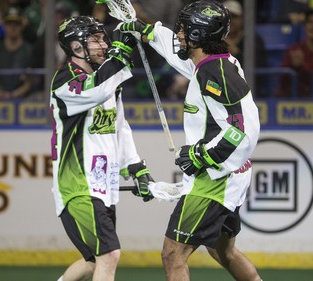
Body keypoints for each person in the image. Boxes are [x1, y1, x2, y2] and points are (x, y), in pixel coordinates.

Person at [118, 1, 262, 280]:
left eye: (183, 29)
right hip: (229, 177)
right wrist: (146, 31)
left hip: (215, 182)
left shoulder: (215, 73)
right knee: (223, 251)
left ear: (197, 35)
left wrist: (203, 155)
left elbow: (243, 129)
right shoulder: (211, 65)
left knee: (173, 254)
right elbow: (177, 55)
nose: (179, 34)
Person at [51, 15, 155, 281]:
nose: (104, 44)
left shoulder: (107, 82)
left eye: (103, 38)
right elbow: (95, 90)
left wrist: (135, 166)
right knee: (109, 255)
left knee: (92, 260)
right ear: (75, 47)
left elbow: (120, 126)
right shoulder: (65, 80)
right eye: (95, 40)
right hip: (79, 185)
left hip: (102, 184)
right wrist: (120, 55)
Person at [0, 6, 33, 100]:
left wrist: (11, 96)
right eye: (9, 23)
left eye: (16, 24)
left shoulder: (29, 51)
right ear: (3, 26)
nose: (13, 27)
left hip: (23, 101)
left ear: (22, 25)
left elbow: (29, 84)